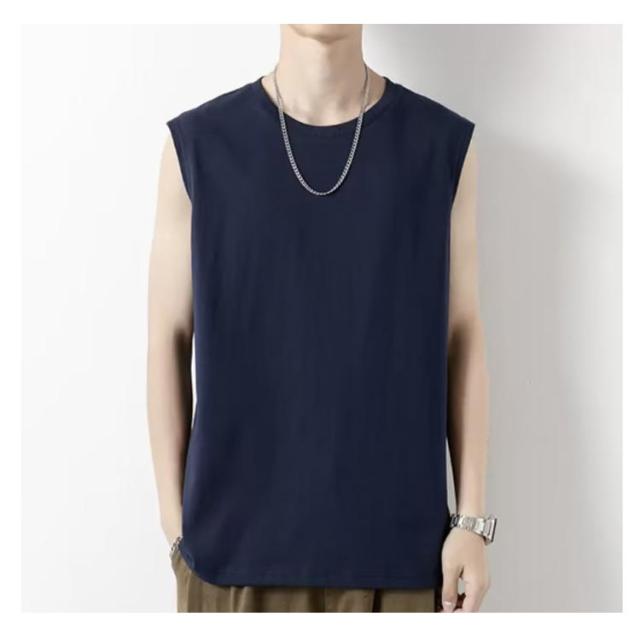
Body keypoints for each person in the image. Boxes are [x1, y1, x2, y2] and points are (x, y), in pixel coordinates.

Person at [147, 24, 494, 613]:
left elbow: (462, 334)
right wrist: (174, 522)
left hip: (403, 562)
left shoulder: (440, 146)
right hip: (231, 561)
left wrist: (472, 520)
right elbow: (167, 337)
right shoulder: (199, 146)